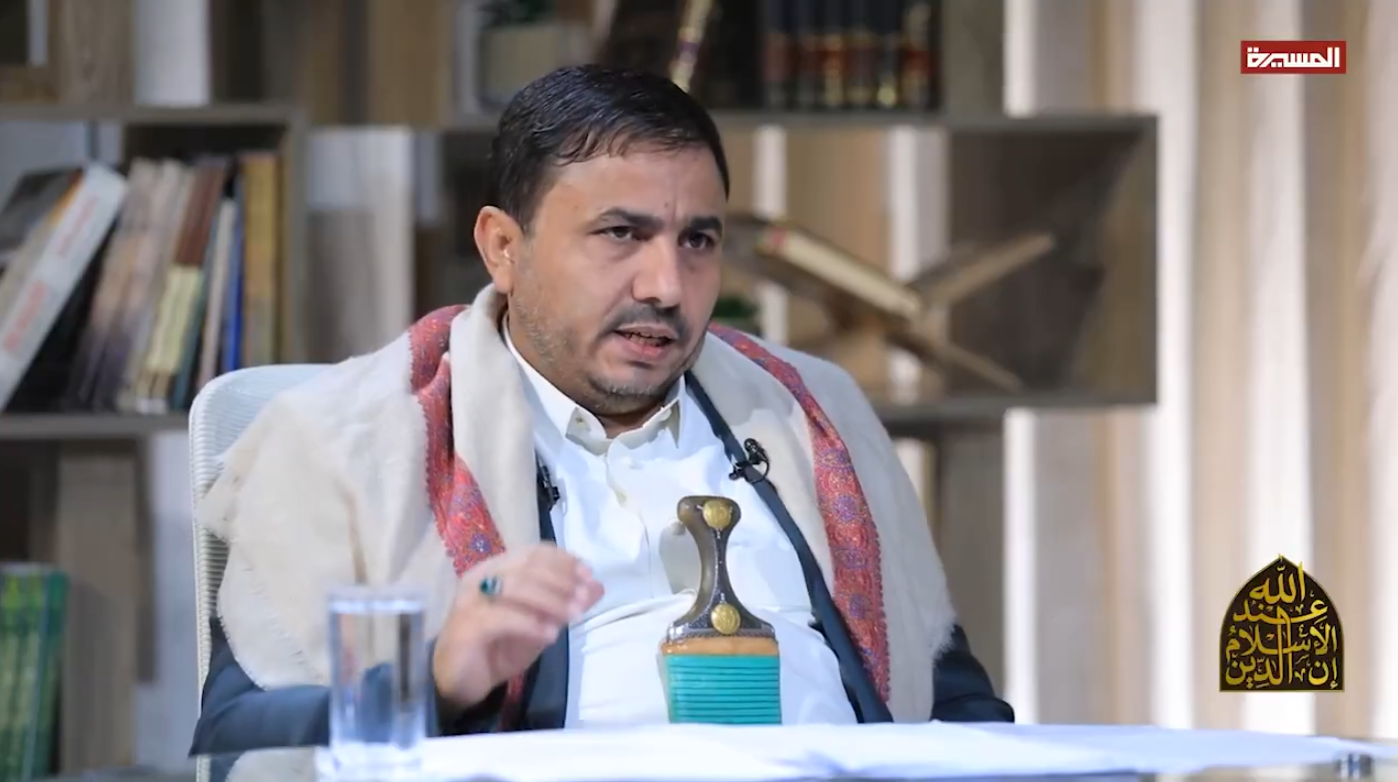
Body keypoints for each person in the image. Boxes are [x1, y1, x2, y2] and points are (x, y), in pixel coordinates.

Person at [189, 64, 1012, 755]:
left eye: (698, 241)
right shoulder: (351, 442)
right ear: (503, 248)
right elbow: (239, 740)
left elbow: (957, 710)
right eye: (621, 233)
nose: (666, 286)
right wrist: (434, 680)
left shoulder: (812, 417)